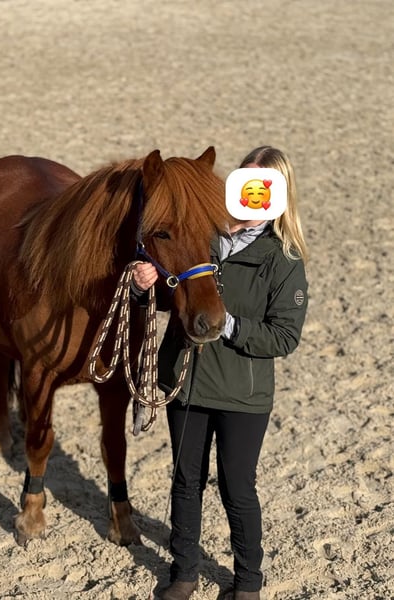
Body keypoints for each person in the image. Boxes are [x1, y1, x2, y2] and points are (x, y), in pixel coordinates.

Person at [132, 146, 309, 600]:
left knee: (238, 489)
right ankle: (184, 574)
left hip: (242, 396)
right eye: (244, 180)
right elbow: (172, 292)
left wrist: (228, 324)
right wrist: (142, 285)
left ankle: (247, 583)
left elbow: (284, 337)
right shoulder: (203, 234)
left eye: (262, 185)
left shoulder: (283, 259)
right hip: (187, 383)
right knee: (185, 482)